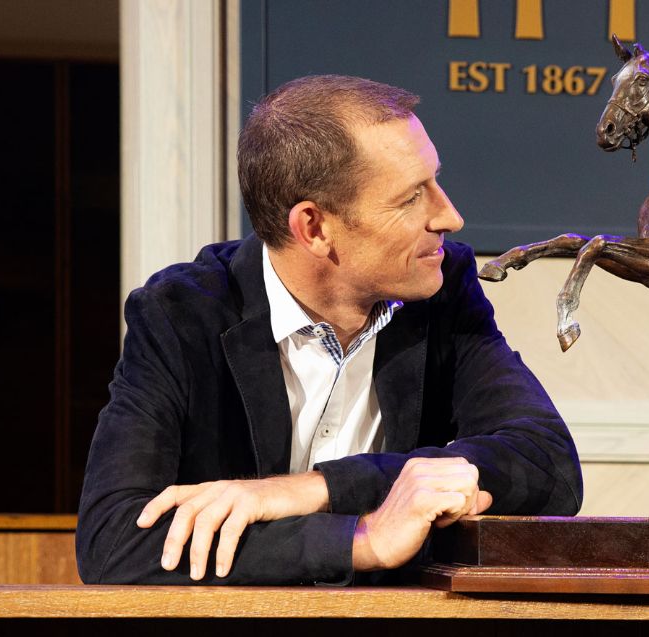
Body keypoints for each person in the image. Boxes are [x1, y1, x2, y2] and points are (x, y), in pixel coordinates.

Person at [76, 75, 583, 585]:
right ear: (314, 227)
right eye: (411, 198)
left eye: (435, 181)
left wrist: (311, 490)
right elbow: (114, 544)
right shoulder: (181, 314)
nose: (450, 217)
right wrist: (361, 540)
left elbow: (549, 464)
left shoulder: (444, 291)